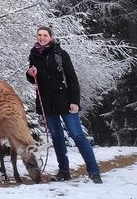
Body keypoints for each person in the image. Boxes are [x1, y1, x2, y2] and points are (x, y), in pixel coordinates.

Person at [26, 25, 102, 183]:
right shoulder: (34, 55)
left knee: (77, 135)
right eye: (39, 35)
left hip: (65, 101)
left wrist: (75, 101)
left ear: (51, 37)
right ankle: (64, 171)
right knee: (57, 137)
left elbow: (72, 78)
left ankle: (94, 171)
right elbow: (33, 78)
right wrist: (30, 74)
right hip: (47, 103)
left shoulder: (61, 54)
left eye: (45, 35)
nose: (42, 37)